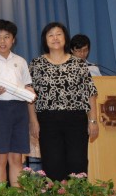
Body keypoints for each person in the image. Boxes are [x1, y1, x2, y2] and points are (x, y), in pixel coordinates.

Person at [29, 22, 99, 181]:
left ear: (65, 38)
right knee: (52, 163)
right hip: (47, 120)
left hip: (76, 119)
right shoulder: (36, 64)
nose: (55, 38)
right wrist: (33, 120)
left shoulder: (78, 63)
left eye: (59, 34)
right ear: (45, 39)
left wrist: (93, 121)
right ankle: (55, 195)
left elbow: (90, 93)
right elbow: (30, 95)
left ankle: (77, 194)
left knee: (78, 162)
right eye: (51, 35)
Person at [0, 19, 36, 187]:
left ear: (13, 40)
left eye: (6, 37)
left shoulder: (21, 61)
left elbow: (27, 85)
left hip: (19, 110)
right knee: (0, 155)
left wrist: (30, 92)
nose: (2, 41)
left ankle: (16, 194)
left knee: (16, 157)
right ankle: (0, 195)